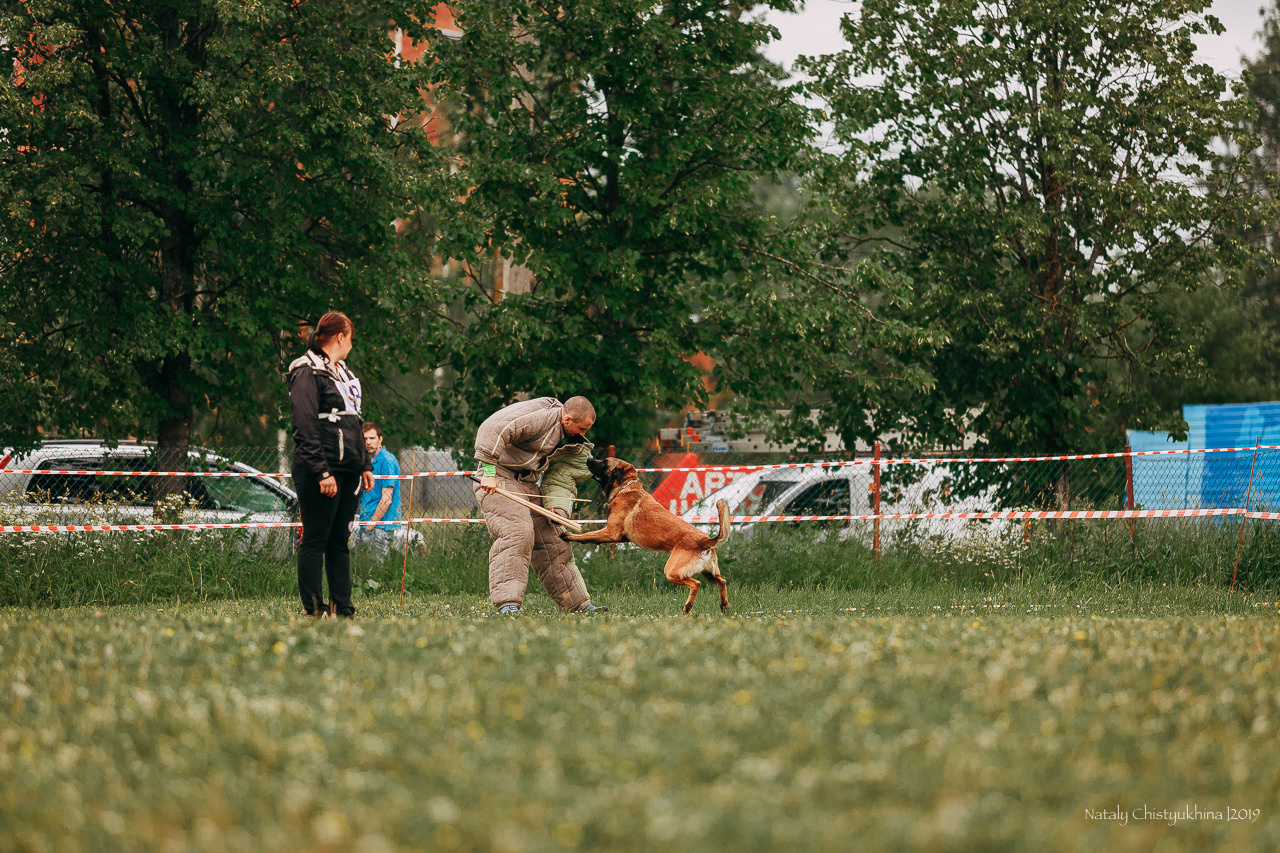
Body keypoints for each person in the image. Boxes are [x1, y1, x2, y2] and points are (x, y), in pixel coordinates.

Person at [474, 396, 606, 614]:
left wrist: (559, 509)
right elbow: (492, 427)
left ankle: (579, 605)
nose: (583, 435)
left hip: (527, 482)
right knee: (517, 532)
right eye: (581, 428)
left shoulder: (575, 445)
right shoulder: (538, 418)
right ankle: (508, 604)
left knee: (554, 540)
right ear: (567, 419)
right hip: (497, 477)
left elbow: (564, 478)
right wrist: (488, 472)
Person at [288, 311, 375, 618]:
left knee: (340, 541)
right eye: (350, 339)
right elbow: (304, 425)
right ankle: (314, 608)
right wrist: (321, 471)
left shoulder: (346, 373)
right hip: (320, 468)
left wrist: (365, 464)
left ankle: (343, 608)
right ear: (341, 337)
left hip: (350, 470)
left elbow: (356, 422)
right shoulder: (306, 370)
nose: (351, 345)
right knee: (315, 538)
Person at [353, 422, 401, 559]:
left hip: (381, 526)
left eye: (372, 438)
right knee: (359, 565)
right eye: (365, 439)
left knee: (375, 569)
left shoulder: (387, 460)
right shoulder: (366, 461)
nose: (368, 442)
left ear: (380, 439)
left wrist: (371, 524)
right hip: (366, 521)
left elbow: (387, 498)